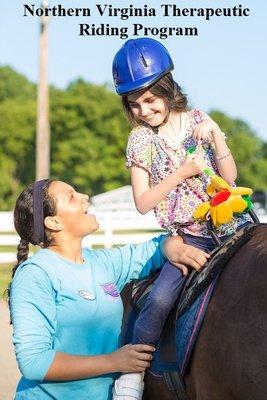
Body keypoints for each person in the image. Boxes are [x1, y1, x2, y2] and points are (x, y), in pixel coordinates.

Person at [112, 38, 250, 399]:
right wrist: (181, 173)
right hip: (187, 236)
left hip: (228, 224)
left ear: (167, 89)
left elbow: (230, 177)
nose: (143, 109)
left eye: (150, 99)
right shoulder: (140, 140)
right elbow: (143, 202)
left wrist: (218, 138)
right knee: (158, 300)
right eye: (134, 103)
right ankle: (134, 375)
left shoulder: (199, 120)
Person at [9, 179, 209, 400]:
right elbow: (34, 363)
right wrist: (114, 362)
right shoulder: (36, 274)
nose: (84, 196)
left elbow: (154, 249)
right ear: (54, 222)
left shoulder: (101, 263)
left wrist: (171, 246)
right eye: (71, 196)